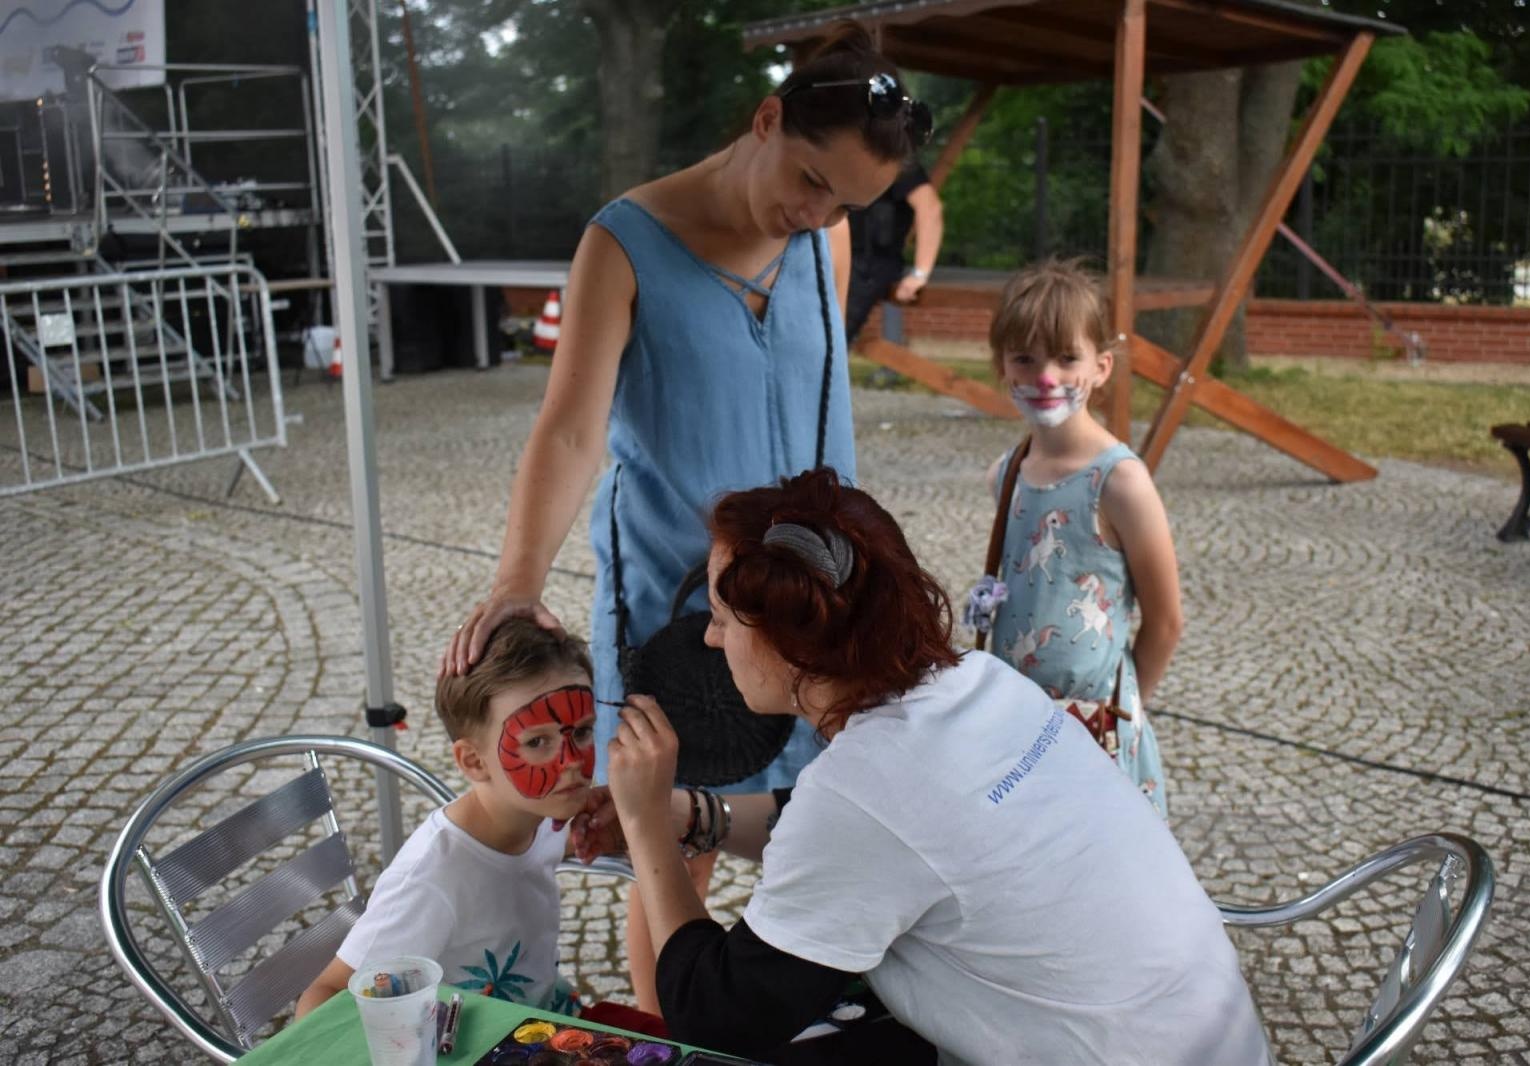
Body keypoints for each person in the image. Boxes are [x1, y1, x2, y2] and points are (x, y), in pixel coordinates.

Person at [440, 24, 930, 1014]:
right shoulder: (623, 241)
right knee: (669, 838)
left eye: (847, 202)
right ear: (766, 119)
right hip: (679, 610)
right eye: (808, 180)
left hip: (813, 598)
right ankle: (668, 1034)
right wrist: (517, 581)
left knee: (850, 810)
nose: (817, 212)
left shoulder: (821, 235)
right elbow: (572, 427)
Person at [582, 468, 1271, 1066]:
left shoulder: (864, 790)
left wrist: (646, 826)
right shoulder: (980, 683)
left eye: (725, 615)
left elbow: (718, 1012)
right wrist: (697, 816)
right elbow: (869, 832)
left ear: (787, 639)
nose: (709, 635)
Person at [296, 621, 654, 1031]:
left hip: (552, 1025)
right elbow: (324, 996)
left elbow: (521, 862)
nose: (571, 759)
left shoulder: (541, 817)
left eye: (583, 732)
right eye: (538, 742)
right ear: (472, 761)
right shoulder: (432, 878)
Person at [975, 258, 1181, 817]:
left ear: (1101, 367)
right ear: (1002, 366)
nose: (1046, 377)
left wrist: (1119, 709)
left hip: (1095, 734)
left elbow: (1165, 621)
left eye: (1067, 358)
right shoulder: (1007, 474)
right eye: (1026, 358)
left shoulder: (1120, 483)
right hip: (1014, 732)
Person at [843, 158, 943, 345]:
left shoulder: (893, 157)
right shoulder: (847, 150)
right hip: (839, 258)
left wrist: (920, 273)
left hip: (868, 264)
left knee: (830, 341)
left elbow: (930, 208)